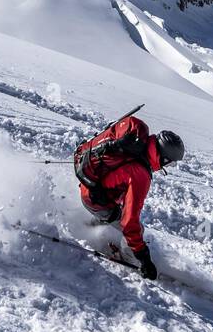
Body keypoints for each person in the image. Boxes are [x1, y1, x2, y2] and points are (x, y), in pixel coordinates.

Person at [74, 115, 185, 280]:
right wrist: (144, 257)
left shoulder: (135, 140)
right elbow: (130, 222)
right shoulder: (141, 174)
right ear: (164, 157)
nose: (166, 167)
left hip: (88, 181)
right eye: (170, 164)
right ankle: (131, 263)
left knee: (115, 212)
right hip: (96, 199)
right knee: (137, 228)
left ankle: (86, 226)